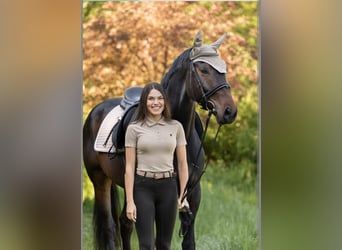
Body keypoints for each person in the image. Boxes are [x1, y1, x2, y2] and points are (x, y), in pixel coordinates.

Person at [124, 82, 189, 250]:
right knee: (145, 245)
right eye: (151, 98)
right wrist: (130, 202)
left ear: (165, 101)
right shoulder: (134, 128)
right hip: (143, 188)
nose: (156, 102)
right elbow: (129, 168)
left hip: (168, 187)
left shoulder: (176, 127)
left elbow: (182, 164)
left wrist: (184, 195)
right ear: (144, 102)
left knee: (164, 245)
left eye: (160, 98)